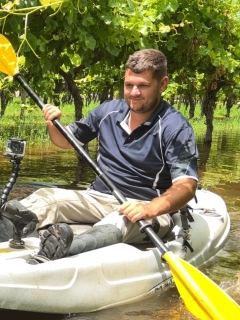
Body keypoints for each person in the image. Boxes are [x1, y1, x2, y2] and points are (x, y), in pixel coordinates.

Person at [1, 49, 198, 263]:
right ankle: (7, 228)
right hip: (99, 197)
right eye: (128, 85)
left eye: (143, 86)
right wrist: (53, 124)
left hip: (147, 208)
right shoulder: (108, 111)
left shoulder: (176, 127)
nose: (133, 92)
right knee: (48, 197)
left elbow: (186, 186)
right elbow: (65, 141)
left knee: (123, 219)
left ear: (162, 84)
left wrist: (150, 208)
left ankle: (61, 248)